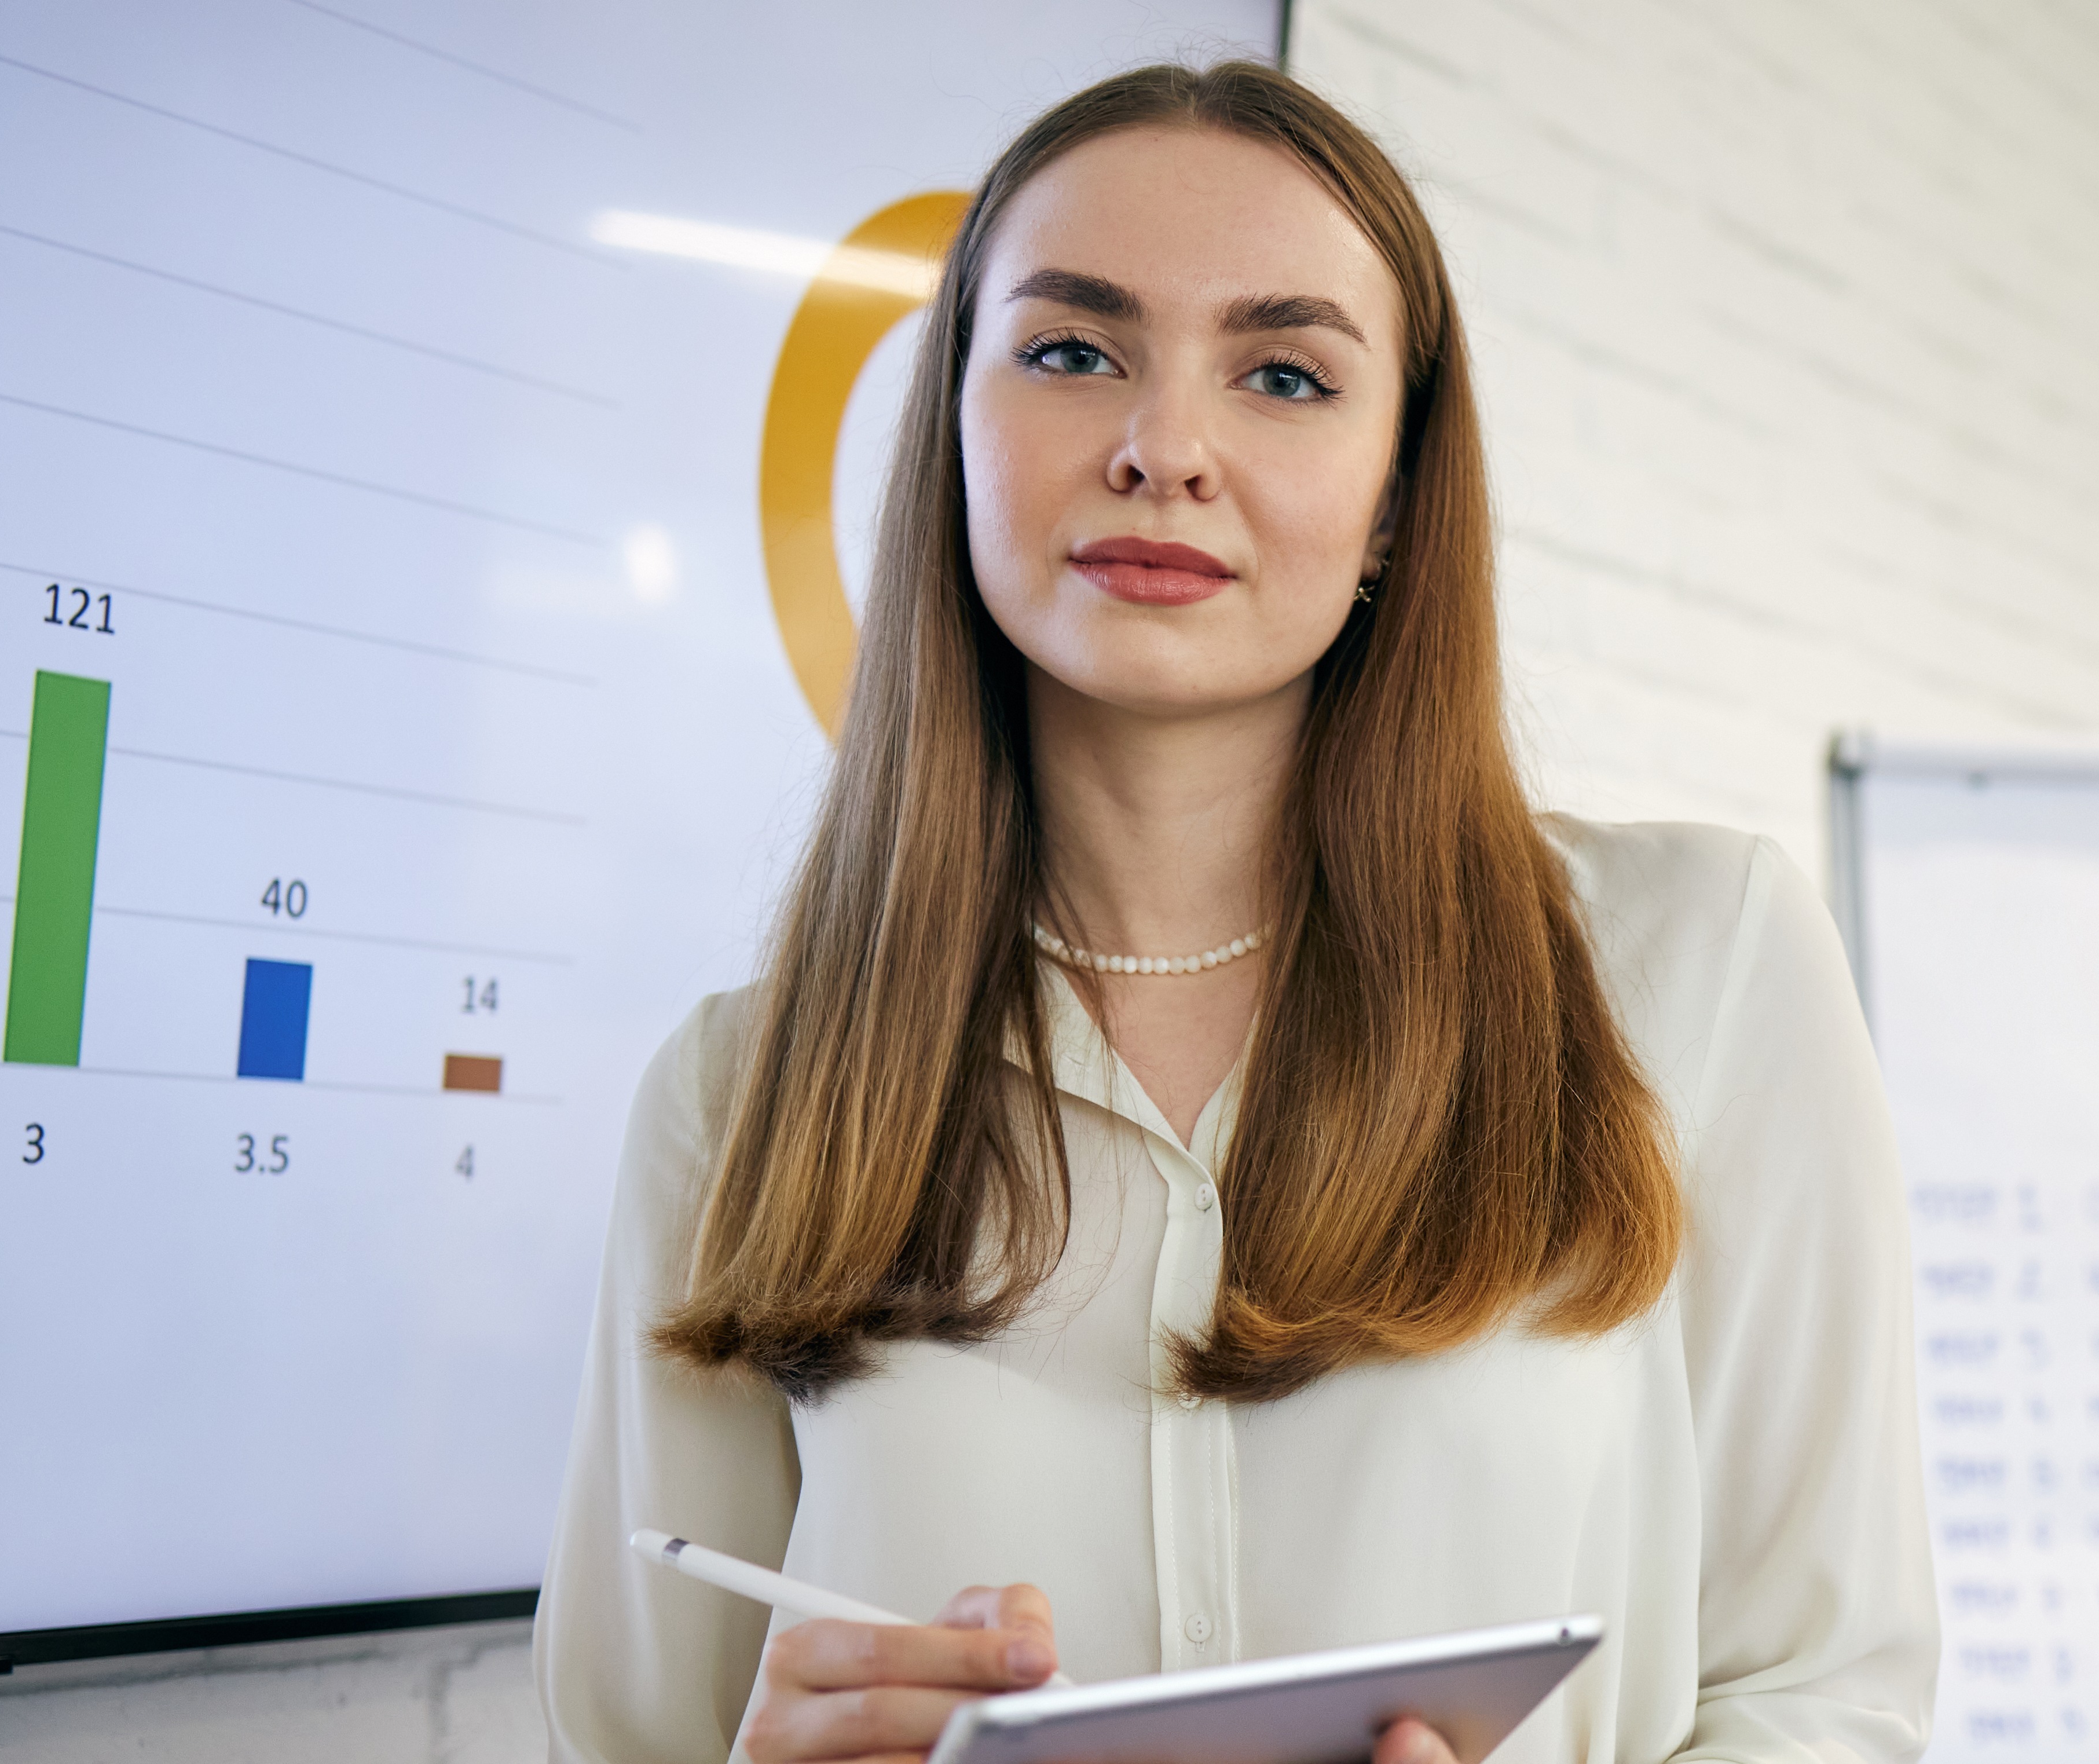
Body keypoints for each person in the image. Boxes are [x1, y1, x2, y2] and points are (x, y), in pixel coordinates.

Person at [531, 60, 1933, 1764]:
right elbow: (629, 1738)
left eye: (1283, 374)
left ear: (1399, 499)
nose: (1162, 449)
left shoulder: (1699, 968)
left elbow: (1826, 1695)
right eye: (1069, 351)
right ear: (955, 428)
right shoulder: (736, 1097)